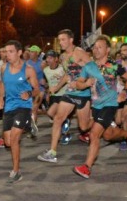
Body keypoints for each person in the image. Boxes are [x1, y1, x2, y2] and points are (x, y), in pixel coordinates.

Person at [72, 35, 127, 179]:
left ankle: (86, 167)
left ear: (108, 50)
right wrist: (85, 84)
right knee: (108, 135)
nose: (96, 50)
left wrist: (124, 92)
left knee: (94, 134)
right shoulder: (88, 66)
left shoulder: (115, 66)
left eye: (99, 47)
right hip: (96, 106)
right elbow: (78, 83)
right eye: (94, 47)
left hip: (110, 105)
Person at [37, 29, 92, 163]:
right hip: (70, 92)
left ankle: (102, 121)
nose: (60, 42)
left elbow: (93, 70)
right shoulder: (63, 57)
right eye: (59, 39)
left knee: (84, 127)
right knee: (57, 118)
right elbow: (67, 74)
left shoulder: (79, 52)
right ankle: (52, 152)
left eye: (63, 39)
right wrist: (57, 87)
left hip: (83, 93)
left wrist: (83, 82)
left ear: (71, 40)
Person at [0, 40, 40, 183]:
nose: (7, 55)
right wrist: (0, 98)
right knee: (8, 142)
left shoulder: (28, 70)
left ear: (19, 52)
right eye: (5, 51)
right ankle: (28, 125)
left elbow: (37, 90)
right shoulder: (4, 68)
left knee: (15, 138)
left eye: (10, 51)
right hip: (9, 107)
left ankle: (16, 171)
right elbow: (2, 84)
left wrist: (29, 94)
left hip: (23, 106)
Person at [25, 45, 44, 138]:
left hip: (40, 89)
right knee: (31, 109)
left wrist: (46, 83)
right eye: (30, 51)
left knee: (34, 108)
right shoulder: (26, 64)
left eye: (32, 51)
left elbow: (48, 74)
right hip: (29, 90)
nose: (30, 53)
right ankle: (33, 125)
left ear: (37, 53)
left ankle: (32, 128)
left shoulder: (42, 63)